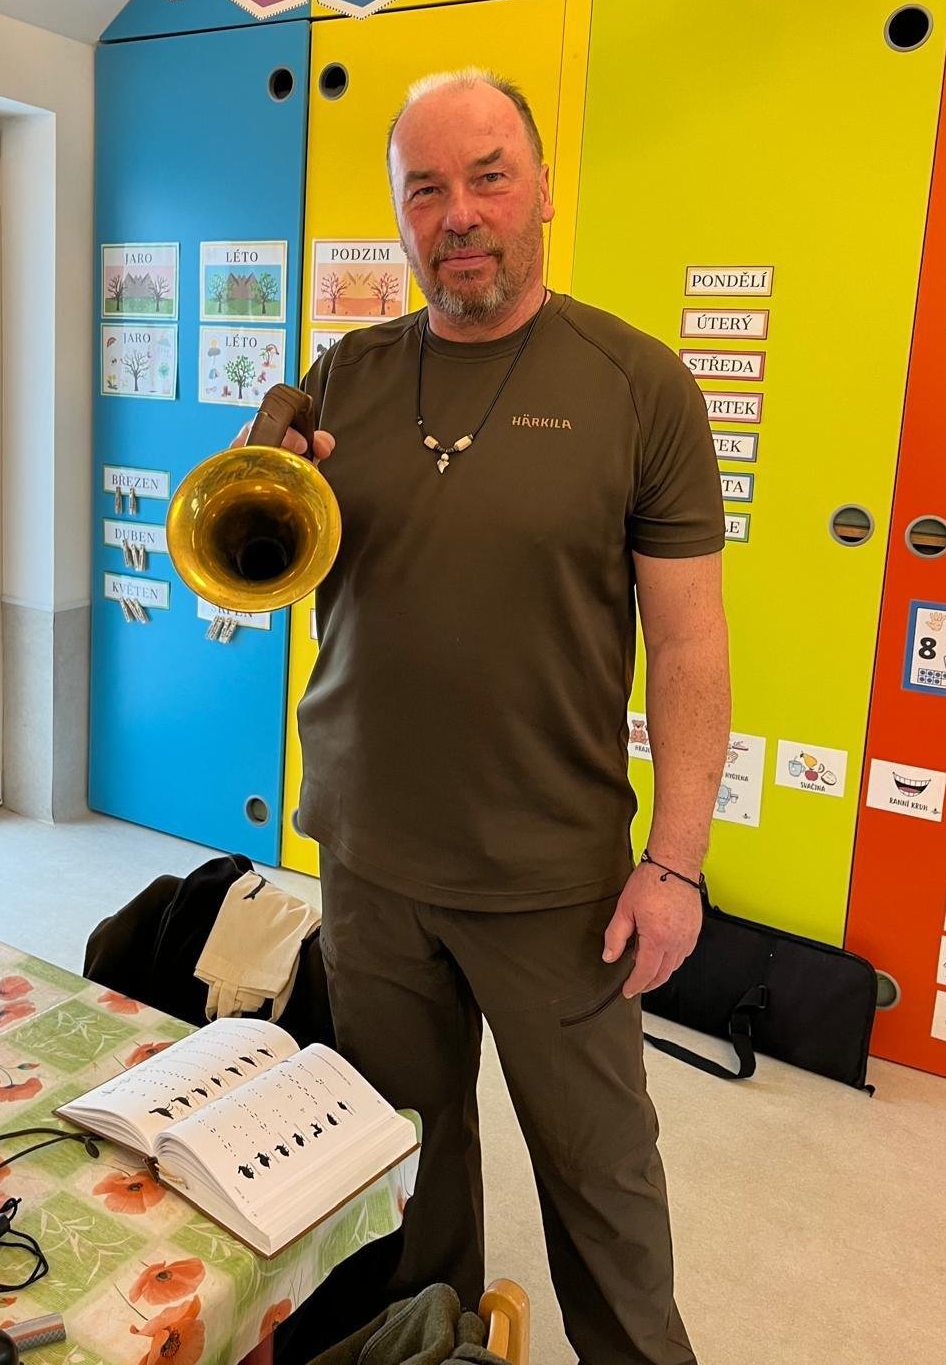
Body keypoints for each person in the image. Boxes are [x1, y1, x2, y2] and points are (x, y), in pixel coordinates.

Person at [247, 69, 729, 1365]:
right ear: (401, 216)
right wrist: (268, 467)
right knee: (406, 1168)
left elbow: (690, 643)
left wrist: (677, 861)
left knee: (604, 1187)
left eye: (488, 176)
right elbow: (268, 569)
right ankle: (432, 1347)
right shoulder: (342, 378)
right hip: (369, 860)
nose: (458, 213)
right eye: (426, 189)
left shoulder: (640, 384)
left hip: (552, 878)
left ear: (544, 192)